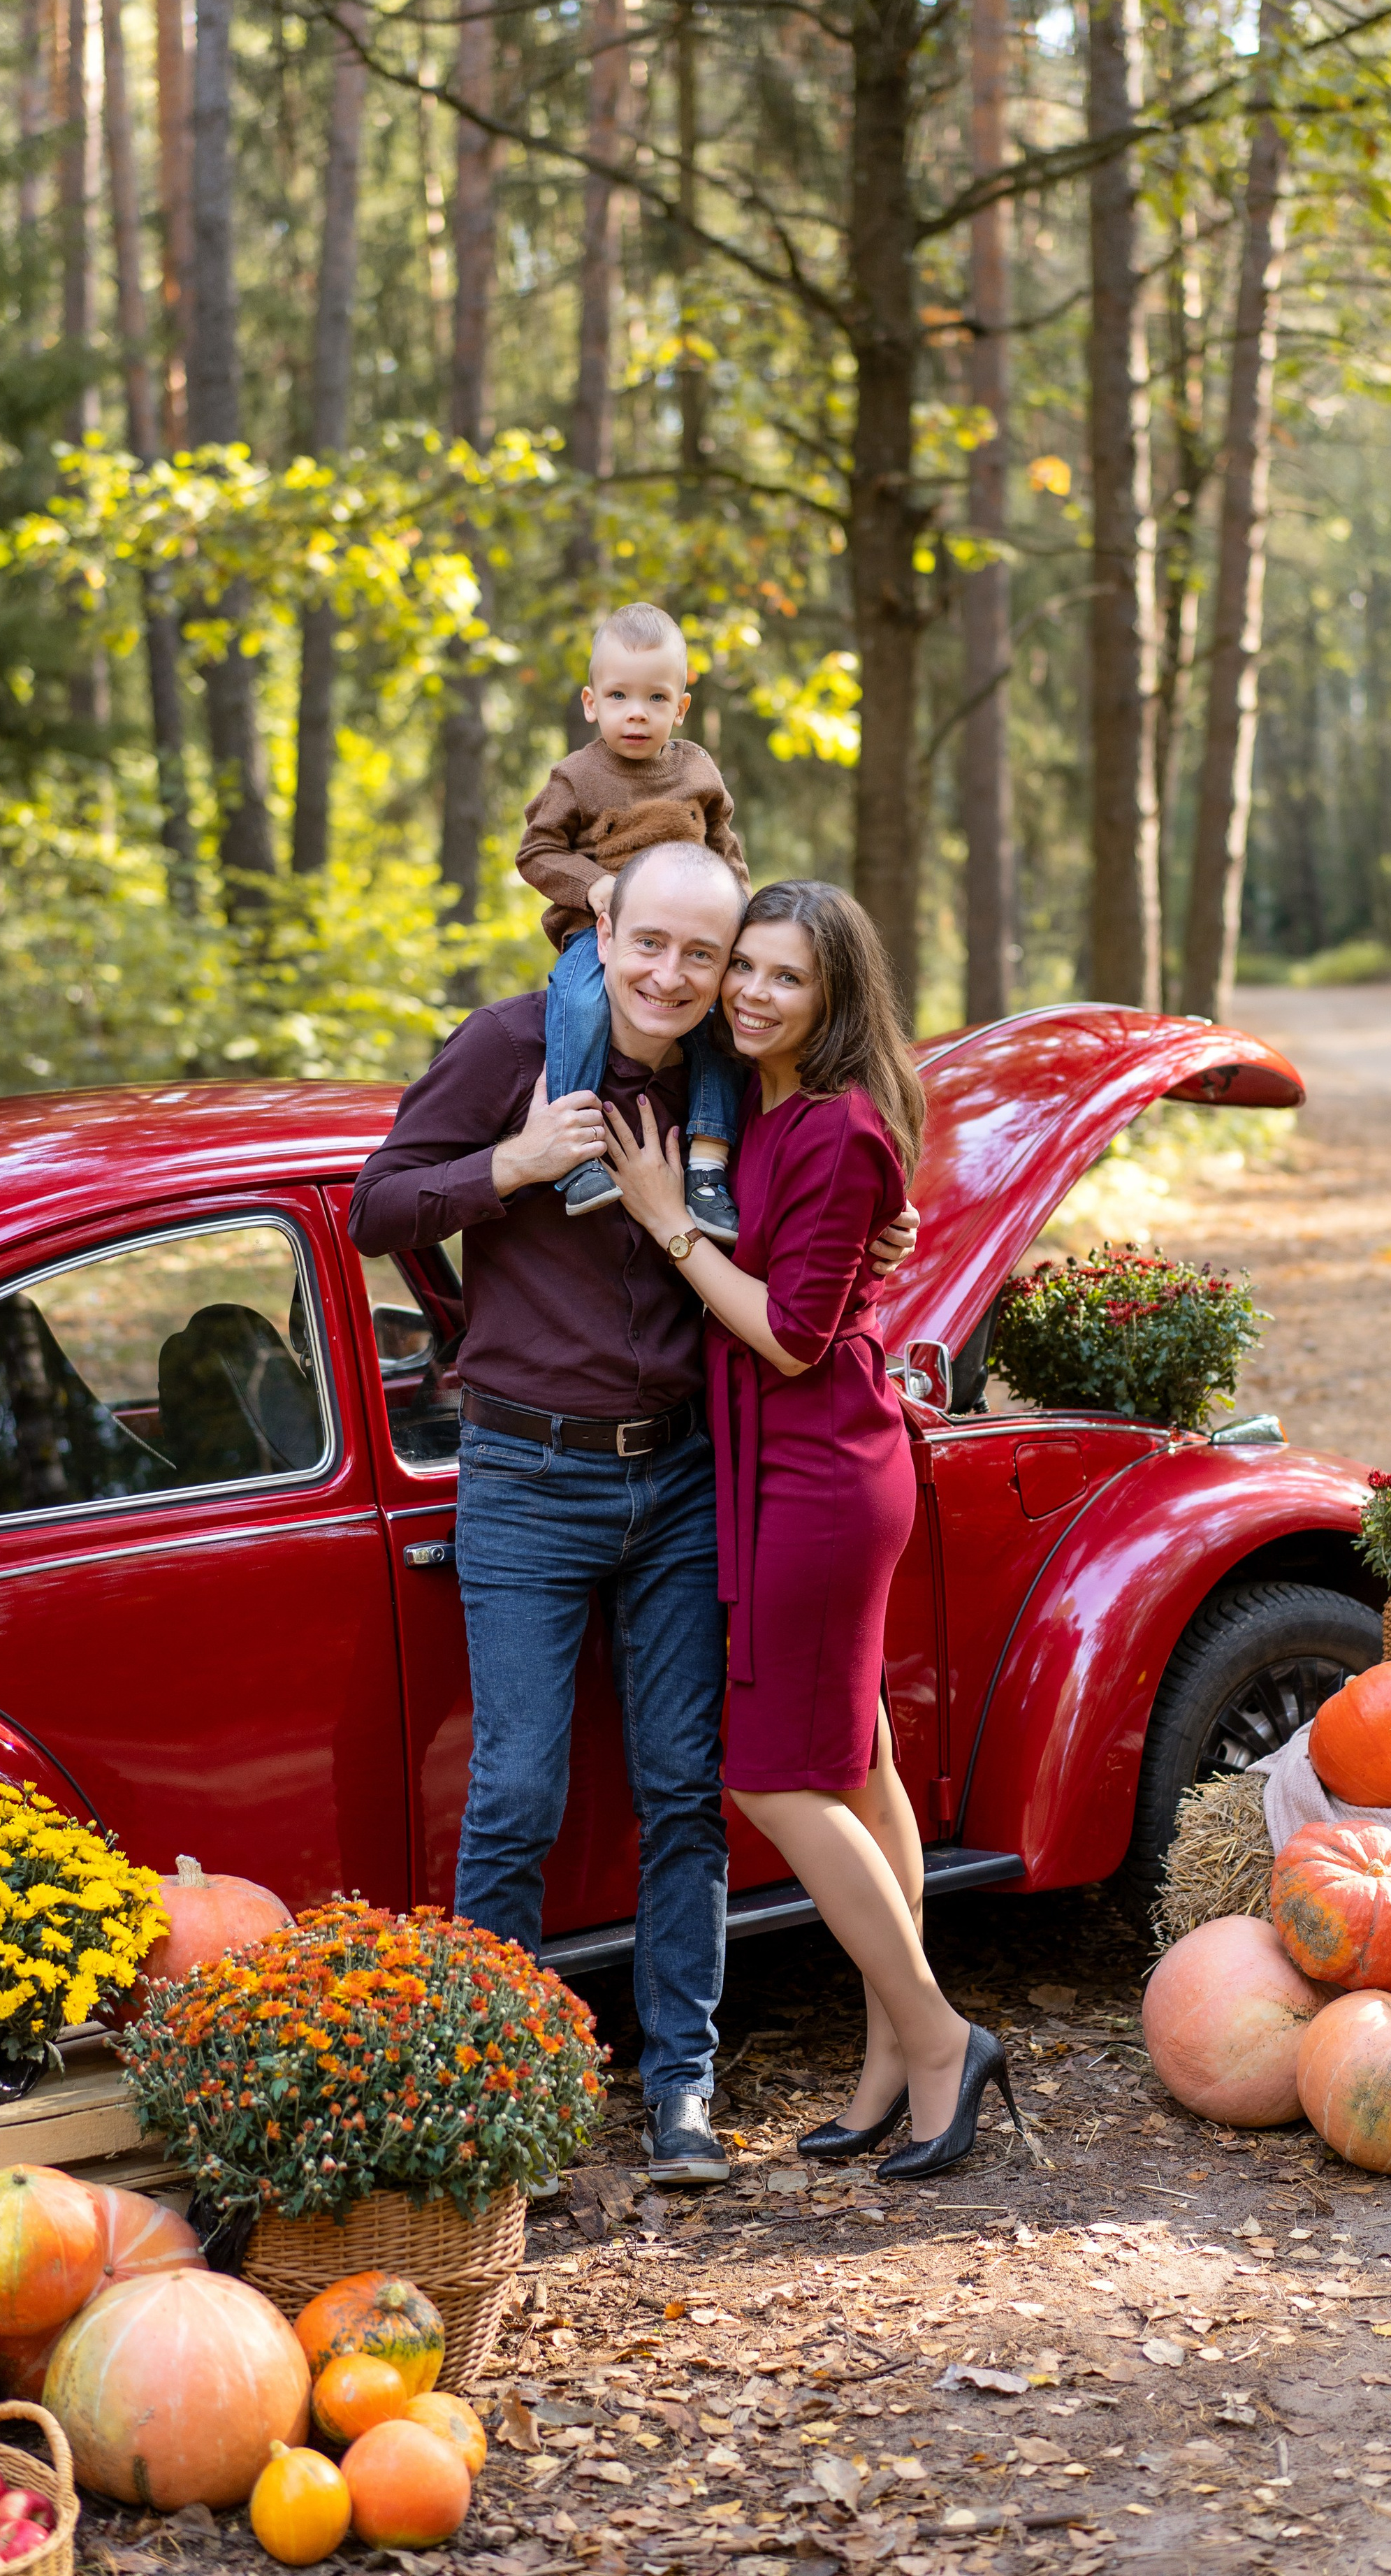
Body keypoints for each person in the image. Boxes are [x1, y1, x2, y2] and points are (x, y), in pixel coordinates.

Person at [347, 843, 918, 2185]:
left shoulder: (737, 1083)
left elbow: (829, 1227)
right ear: (600, 925)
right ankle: (494, 2101)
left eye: (703, 957)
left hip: (679, 1477)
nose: (673, 975)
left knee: (682, 1794)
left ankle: (680, 2095)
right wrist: (512, 1161)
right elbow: (379, 1206)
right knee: (517, 1792)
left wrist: (890, 1238)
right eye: (648, 942)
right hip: (527, 1479)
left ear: (730, 973)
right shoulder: (515, 1046)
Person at [602, 880, 1023, 2181]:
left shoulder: (836, 1131)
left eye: (786, 976)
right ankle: (899, 2052)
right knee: (856, 1764)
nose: (752, 993)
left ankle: (943, 2037)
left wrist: (667, 1222)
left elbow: (789, 1334)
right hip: (786, 1466)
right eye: (747, 970)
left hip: (823, 1477)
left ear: (836, 995)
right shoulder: (768, 1114)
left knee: (771, 1777)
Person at [518, 602, 748, 1242]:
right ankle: (578, 1155)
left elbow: (727, 849)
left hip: (690, 935)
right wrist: (597, 889)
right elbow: (536, 853)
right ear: (592, 703)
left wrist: (743, 917)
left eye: (655, 697)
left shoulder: (697, 770)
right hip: (601, 936)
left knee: (718, 1028)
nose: (637, 712)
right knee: (581, 1005)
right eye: (620, 696)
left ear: (681, 707)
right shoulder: (578, 776)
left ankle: (707, 1167)